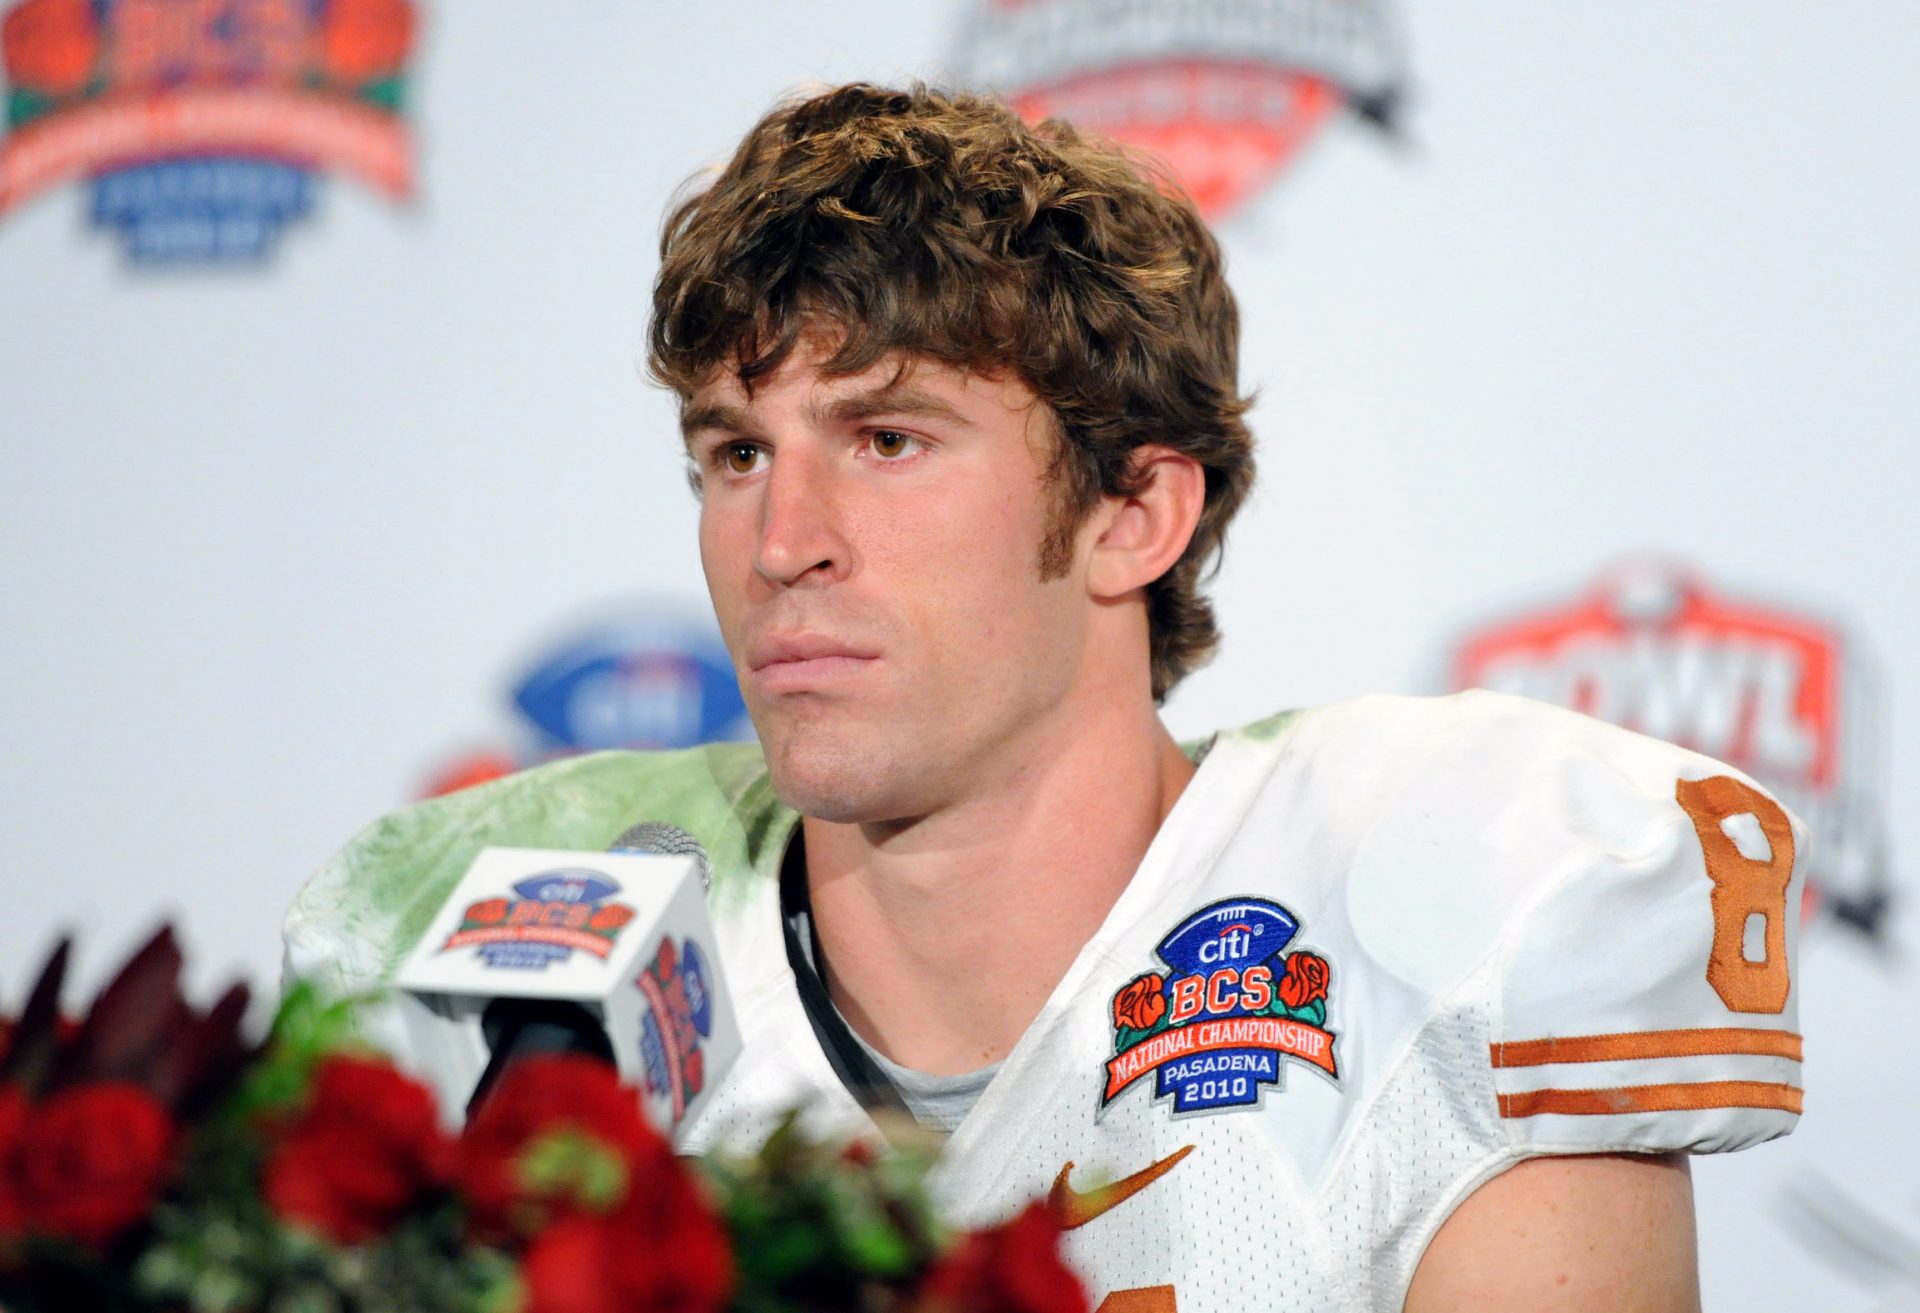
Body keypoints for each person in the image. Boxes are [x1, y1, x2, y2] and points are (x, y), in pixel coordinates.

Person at [285, 83, 1805, 1312]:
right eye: (736, 451)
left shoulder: (1452, 907)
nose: (780, 540)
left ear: (1131, 514)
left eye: (887, 439)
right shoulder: (510, 950)